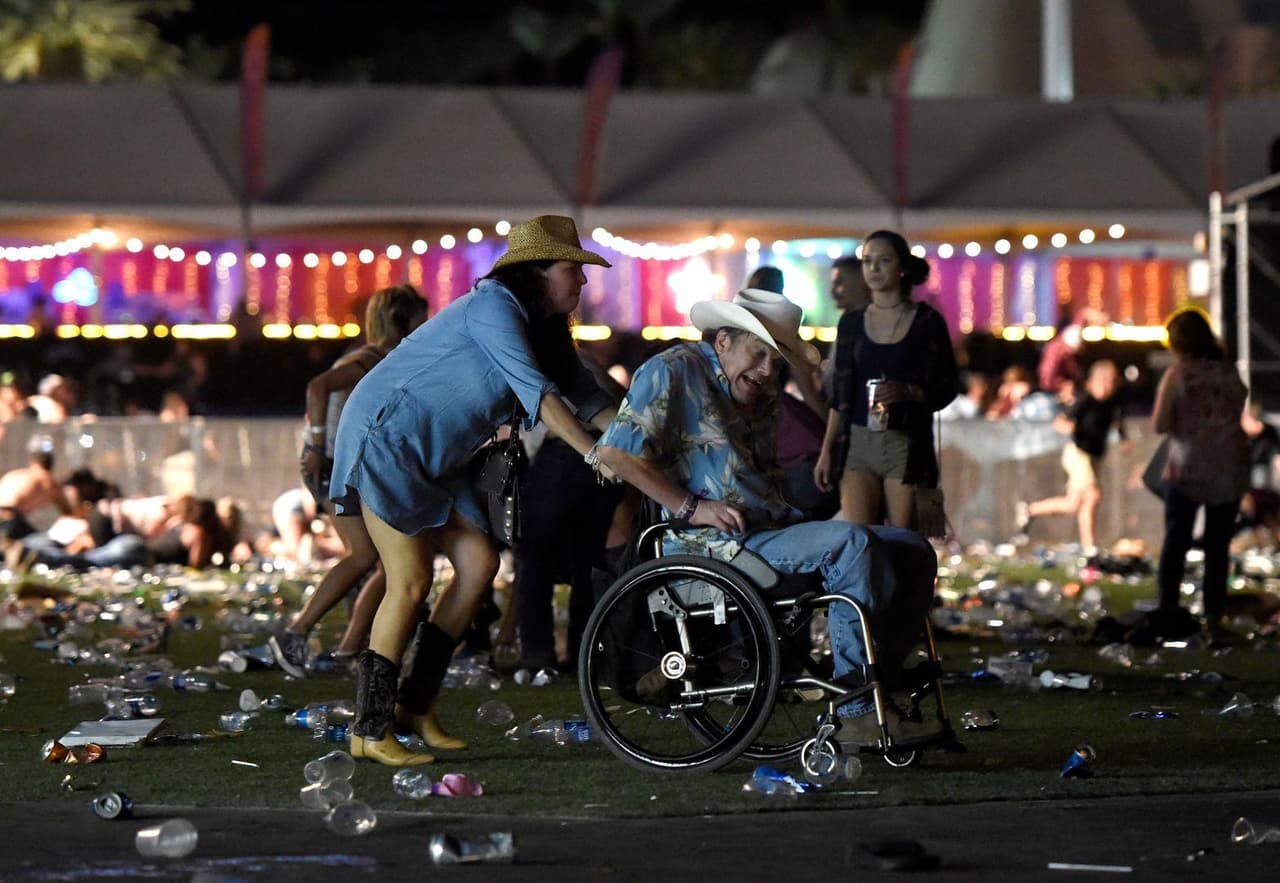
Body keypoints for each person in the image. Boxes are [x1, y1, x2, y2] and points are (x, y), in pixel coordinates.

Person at [593, 289, 939, 750]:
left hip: (766, 530)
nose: (768, 373)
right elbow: (616, 452)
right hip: (708, 545)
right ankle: (859, 712)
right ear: (722, 342)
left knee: (912, 549)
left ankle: (878, 688)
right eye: (759, 355)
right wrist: (693, 507)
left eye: (777, 362)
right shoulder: (672, 369)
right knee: (850, 543)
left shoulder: (761, 391)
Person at [329, 215, 617, 766]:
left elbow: (591, 400)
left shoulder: (545, 327)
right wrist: (592, 453)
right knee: (410, 582)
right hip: (388, 439)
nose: (581, 282)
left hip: (439, 455)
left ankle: (412, 708)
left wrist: (640, 440)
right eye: (571, 270)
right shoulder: (494, 307)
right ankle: (367, 730)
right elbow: (543, 398)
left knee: (480, 565)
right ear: (536, 272)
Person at [271, 285, 429, 681]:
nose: (426, 326)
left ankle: (349, 647)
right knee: (365, 556)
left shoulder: (382, 358)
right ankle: (296, 632)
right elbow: (317, 386)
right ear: (400, 320)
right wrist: (318, 443)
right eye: (420, 319)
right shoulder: (370, 358)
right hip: (333, 466)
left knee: (379, 560)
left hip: (344, 465)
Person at [815, 230, 958, 530]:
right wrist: (826, 451)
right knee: (858, 539)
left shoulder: (927, 322)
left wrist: (909, 391)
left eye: (883, 260)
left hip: (904, 443)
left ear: (902, 267)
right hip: (856, 442)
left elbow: (947, 386)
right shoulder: (851, 323)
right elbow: (839, 395)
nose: (874, 269)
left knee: (902, 540)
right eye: (867, 261)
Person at [1151, 308, 1249, 636]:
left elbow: (1160, 423)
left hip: (1187, 468)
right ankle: (1213, 616)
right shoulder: (1227, 372)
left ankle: (1168, 609)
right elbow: (1239, 406)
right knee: (1217, 547)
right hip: (1228, 467)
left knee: (1176, 543)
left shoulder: (1178, 375)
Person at [1016, 360, 1128, 553]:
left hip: (1094, 456)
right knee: (1092, 495)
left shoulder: (1112, 401)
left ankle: (1030, 510)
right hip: (1077, 453)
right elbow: (1060, 423)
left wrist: (1124, 439)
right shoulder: (1085, 400)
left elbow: (1116, 423)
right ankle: (1090, 544)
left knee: (1075, 503)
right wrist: (1074, 429)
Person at [0, 435, 72, 544]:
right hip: (10, 518)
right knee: (42, 545)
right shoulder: (47, 480)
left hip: (8, 517)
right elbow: (67, 510)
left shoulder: (15, 475)